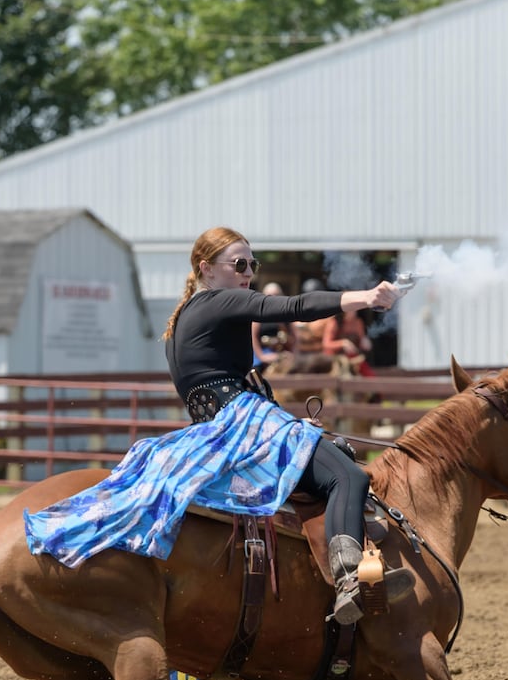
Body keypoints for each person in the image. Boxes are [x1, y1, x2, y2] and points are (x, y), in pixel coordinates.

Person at [24, 226, 408, 625]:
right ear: (206, 269)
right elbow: (293, 307)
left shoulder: (188, 316)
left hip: (217, 427)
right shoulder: (218, 302)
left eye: (252, 265)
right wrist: (364, 297)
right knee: (348, 475)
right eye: (239, 264)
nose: (248, 273)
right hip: (245, 421)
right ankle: (351, 580)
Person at [250, 281, 293, 365]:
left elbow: (295, 337)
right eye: (269, 296)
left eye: (276, 295)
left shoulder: (286, 316)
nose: (273, 298)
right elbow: (253, 338)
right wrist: (262, 356)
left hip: (283, 356)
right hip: (262, 356)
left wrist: (293, 355)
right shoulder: (258, 316)